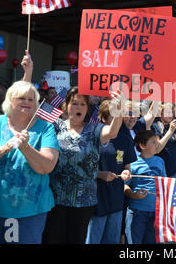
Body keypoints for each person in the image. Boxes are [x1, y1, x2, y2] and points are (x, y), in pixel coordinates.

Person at [0, 81, 60, 244]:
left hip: (30, 212)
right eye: (22, 98)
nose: (27, 102)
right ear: (10, 100)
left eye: (31, 99)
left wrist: (25, 148)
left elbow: (46, 167)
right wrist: (7, 146)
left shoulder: (45, 127)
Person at [42, 88, 124, 244]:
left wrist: (119, 108)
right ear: (66, 105)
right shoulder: (55, 127)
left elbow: (112, 132)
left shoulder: (94, 129)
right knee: (53, 239)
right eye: (74, 103)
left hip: (83, 201)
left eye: (82, 104)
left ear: (88, 108)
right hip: (55, 199)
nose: (78, 107)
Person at [85, 100, 134, 244]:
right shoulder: (92, 137)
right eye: (114, 116)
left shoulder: (126, 139)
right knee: (93, 240)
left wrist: (126, 174)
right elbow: (82, 168)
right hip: (95, 200)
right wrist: (101, 174)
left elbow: (127, 168)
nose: (118, 120)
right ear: (103, 118)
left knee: (111, 240)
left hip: (116, 200)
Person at [124, 130, 167, 244]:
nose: (157, 144)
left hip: (156, 212)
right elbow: (125, 187)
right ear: (142, 145)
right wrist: (133, 195)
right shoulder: (132, 163)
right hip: (137, 211)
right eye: (153, 142)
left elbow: (165, 183)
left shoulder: (160, 161)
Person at [152, 103, 176, 178]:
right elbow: (157, 149)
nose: (170, 114)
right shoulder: (155, 126)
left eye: (171, 112)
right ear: (161, 113)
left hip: (173, 170)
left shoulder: (174, 127)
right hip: (160, 171)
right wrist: (170, 131)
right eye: (167, 112)